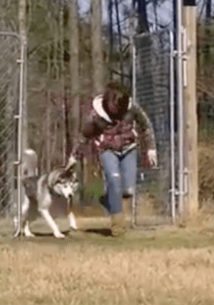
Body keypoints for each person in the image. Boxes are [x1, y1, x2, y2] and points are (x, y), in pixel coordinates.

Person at [65, 81, 158, 237]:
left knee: (128, 190)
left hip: (129, 149)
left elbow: (145, 126)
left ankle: (108, 200)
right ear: (108, 102)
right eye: (115, 109)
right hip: (107, 150)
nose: (117, 113)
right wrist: (74, 156)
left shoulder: (131, 108)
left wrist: (151, 149)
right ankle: (117, 225)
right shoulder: (95, 115)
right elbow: (84, 136)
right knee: (114, 181)